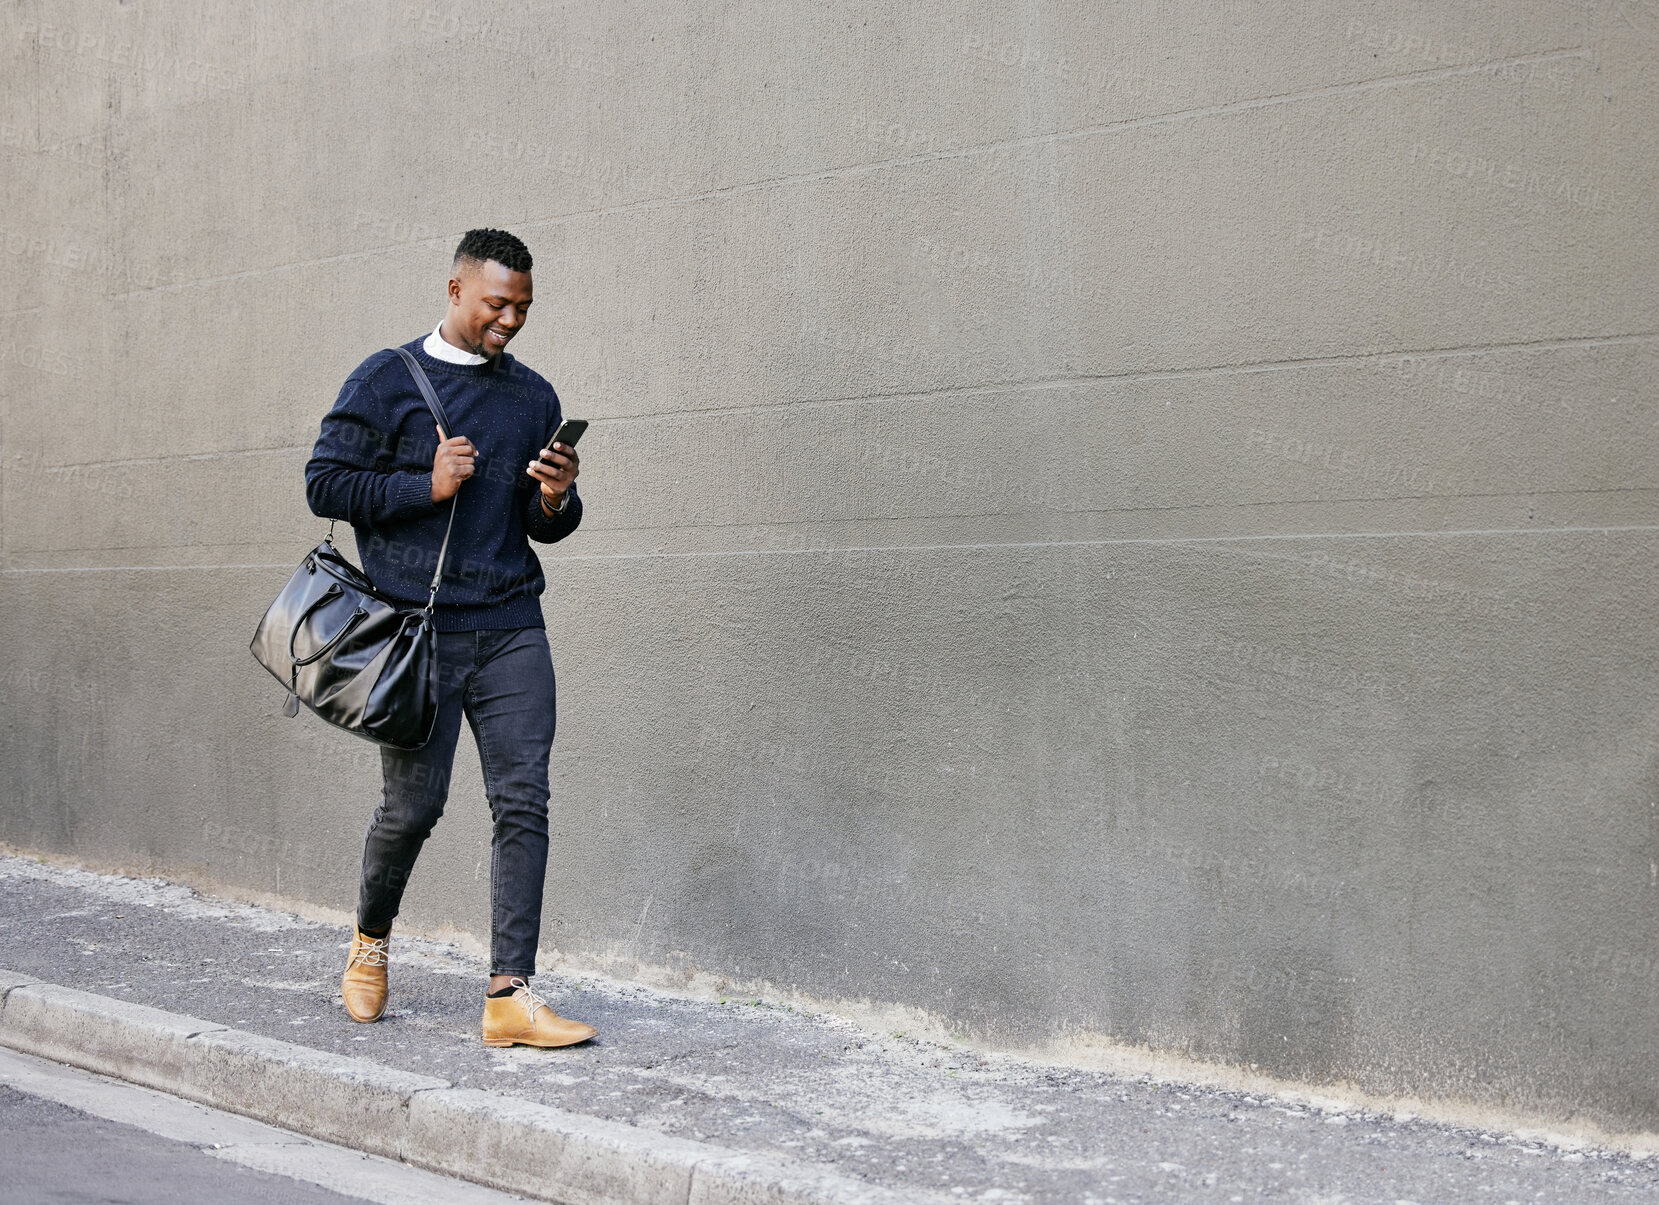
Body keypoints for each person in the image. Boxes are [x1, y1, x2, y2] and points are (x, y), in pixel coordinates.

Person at [304, 228, 595, 1048]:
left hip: (509, 625)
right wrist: (421, 485)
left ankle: (509, 993)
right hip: (416, 636)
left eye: (524, 308)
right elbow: (323, 481)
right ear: (456, 290)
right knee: (413, 807)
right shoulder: (387, 378)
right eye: (498, 303)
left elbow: (542, 527)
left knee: (524, 801)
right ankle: (369, 941)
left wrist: (556, 497)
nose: (511, 320)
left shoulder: (532, 396)